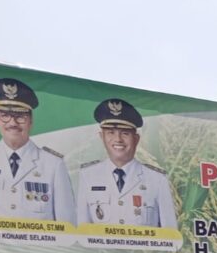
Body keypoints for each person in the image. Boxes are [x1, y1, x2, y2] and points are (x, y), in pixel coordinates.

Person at [0, 78, 75, 223]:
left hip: (38, 246)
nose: (12, 123)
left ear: (31, 121)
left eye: (20, 116)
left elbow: (67, 225)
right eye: (5, 115)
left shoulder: (53, 164)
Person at [76, 98, 179, 229]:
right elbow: (82, 230)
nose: (118, 139)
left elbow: (170, 234)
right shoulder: (88, 176)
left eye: (125, 133)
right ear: (102, 137)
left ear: (136, 139)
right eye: (110, 133)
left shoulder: (157, 180)